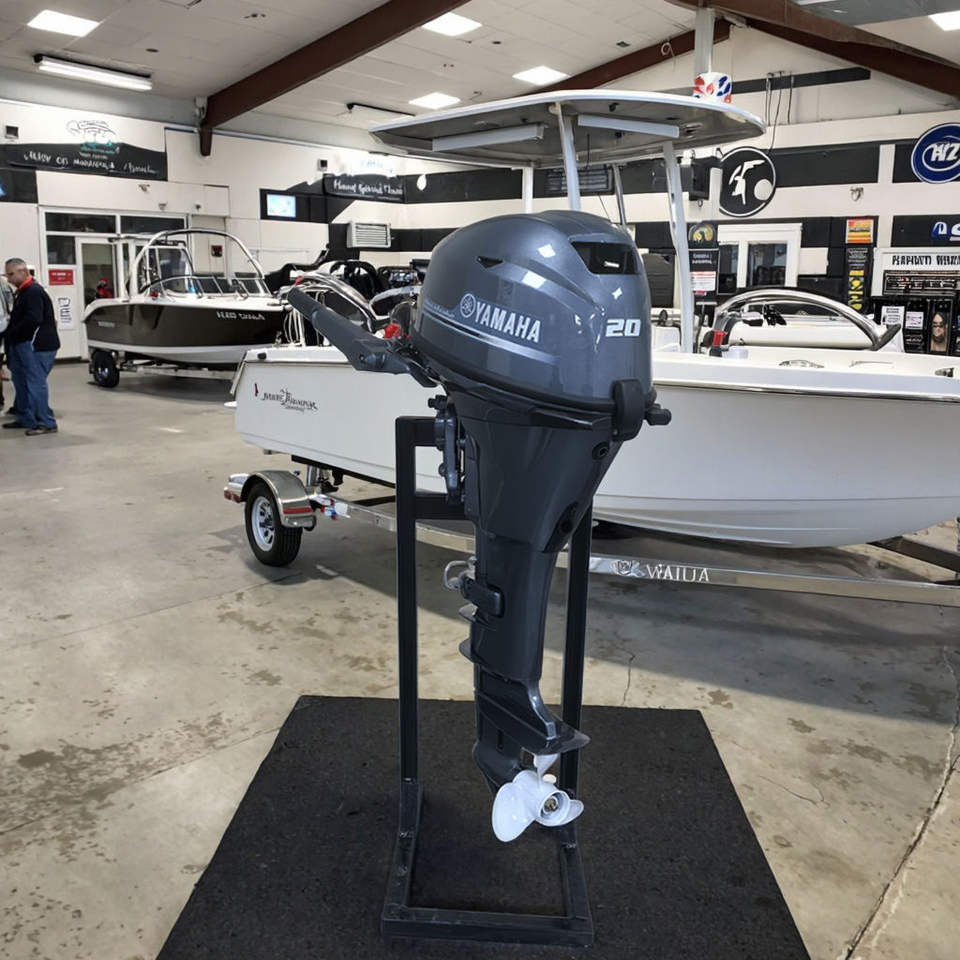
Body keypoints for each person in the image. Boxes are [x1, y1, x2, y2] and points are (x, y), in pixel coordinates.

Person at [3, 258, 59, 435]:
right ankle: (26, 418)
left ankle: (46, 422)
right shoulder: (22, 292)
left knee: (35, 383)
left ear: (23, 272)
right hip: (23, 344)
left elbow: (33, 319)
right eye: (7, 275)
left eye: (11, 274)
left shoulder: (34, 292)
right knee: (21, 382)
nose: (8, 279)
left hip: (36, 346)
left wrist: (14, 333)